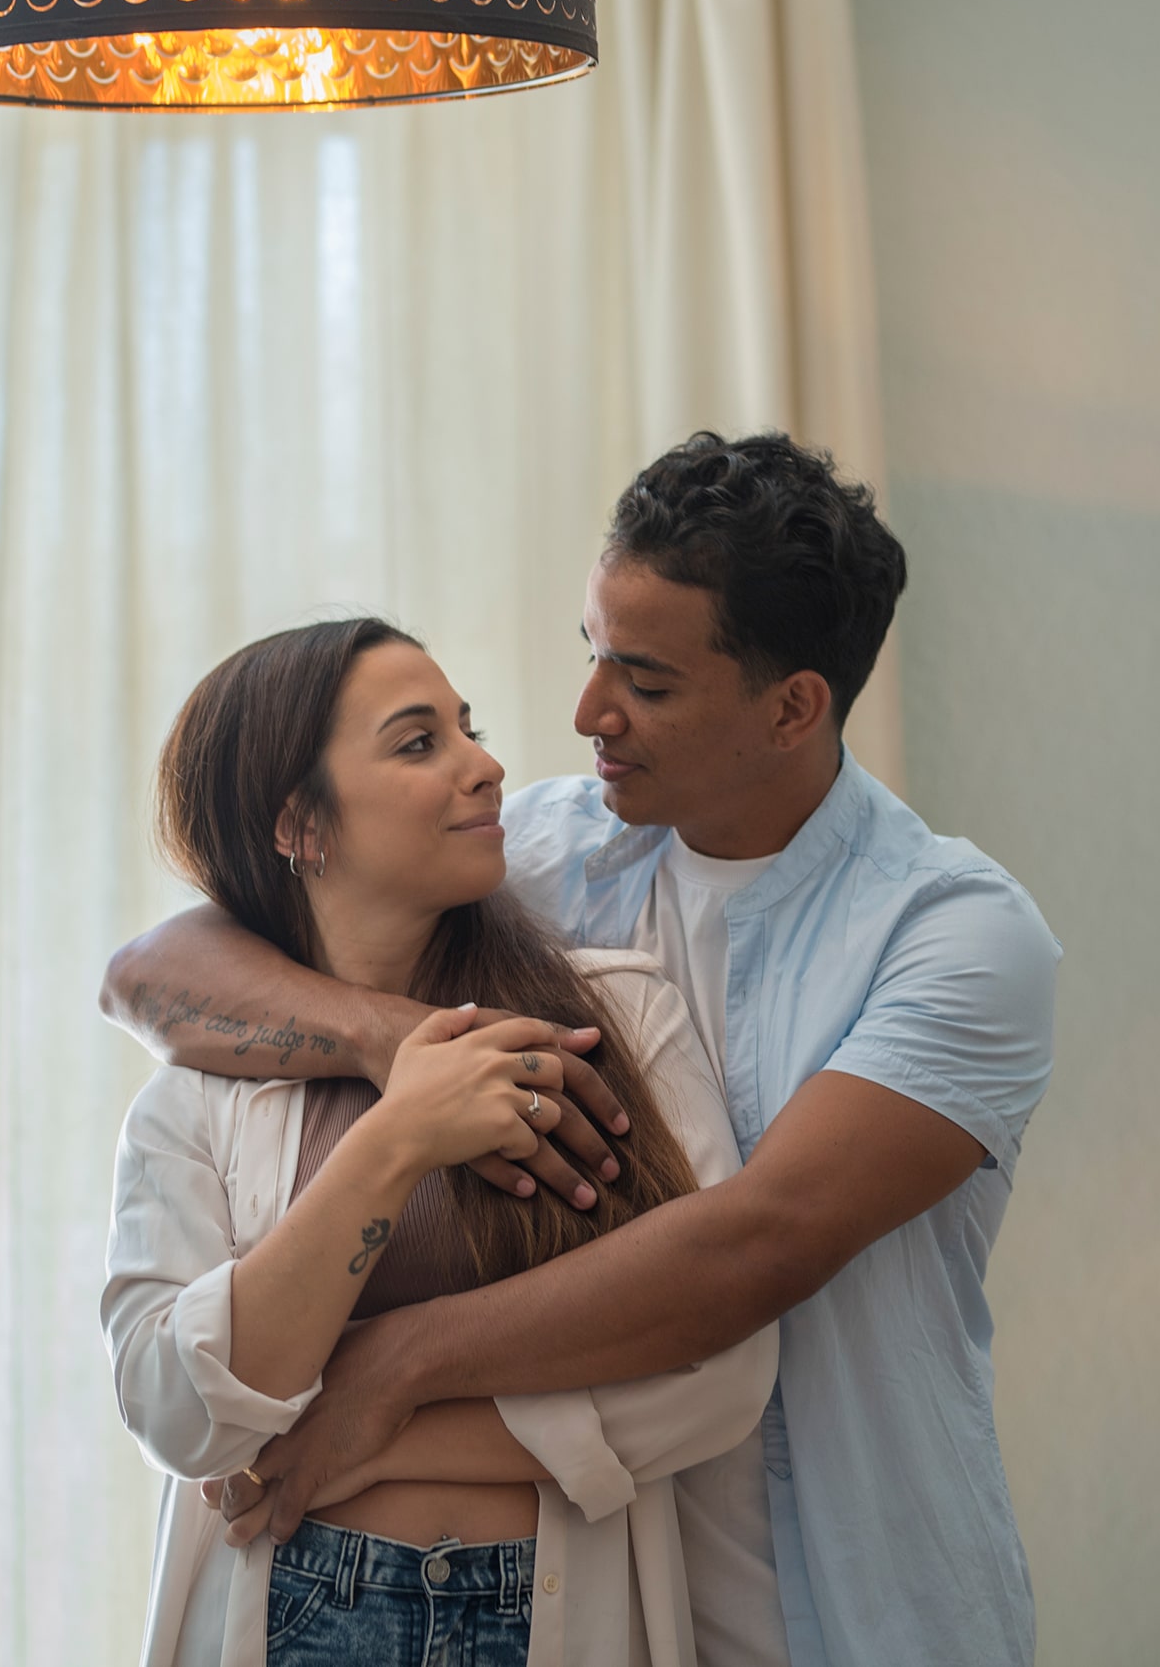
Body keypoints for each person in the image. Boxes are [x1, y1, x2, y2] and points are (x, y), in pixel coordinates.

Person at [103, 432, 1061, 1667]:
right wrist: (401, 1050)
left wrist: (388, 1372)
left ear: (790, 706)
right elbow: (152, 969)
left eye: (646, 682)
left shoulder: (959, 936)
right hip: (618, 1589)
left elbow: (746, 1249)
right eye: (589, 649)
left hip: (858, 1600)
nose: (584, 714)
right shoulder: (543, 854)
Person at [102, 616, 787, 1667]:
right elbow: (174, 1412)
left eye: (466, 728)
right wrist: (397, 1137)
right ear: (299, 823)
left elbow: (721, 1372)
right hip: (289, 1613)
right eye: (419, 742)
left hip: (556, 1618)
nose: (486, 765)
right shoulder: (196, 1095)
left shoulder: (616, 1020)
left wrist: (365, 1424)